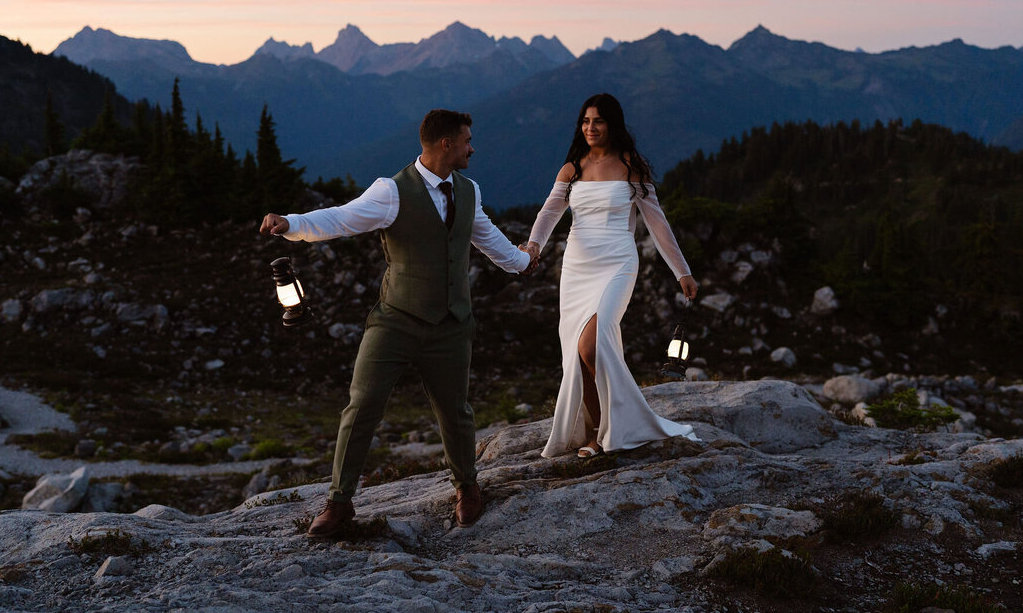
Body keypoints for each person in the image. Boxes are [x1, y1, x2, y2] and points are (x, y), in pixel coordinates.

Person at [259, 109, 533, 538]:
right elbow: (341, 218)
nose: (471, 148)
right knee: (362, 406)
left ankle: (467, 488)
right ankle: (338, 502)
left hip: (451, 323)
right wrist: (291, 224)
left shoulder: (469, 190)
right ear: (446, 144)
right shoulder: (391, 192)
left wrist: (522, 261)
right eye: (466, 140)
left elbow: (487, 237)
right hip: (395, 321)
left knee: (455, 411)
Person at [521, 93, 699, 459]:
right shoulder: (572, 167)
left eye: (598, 121)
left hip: (618, 262)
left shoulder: (632, 167)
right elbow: (549, 213)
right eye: (585, 121)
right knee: (577, 353)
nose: (590, 128)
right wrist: (533, 245)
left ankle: (610, 428)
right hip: (576, 269)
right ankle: (596, 433)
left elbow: (657, 223)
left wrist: (682, 270)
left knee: (591, 344)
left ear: (613, 124)